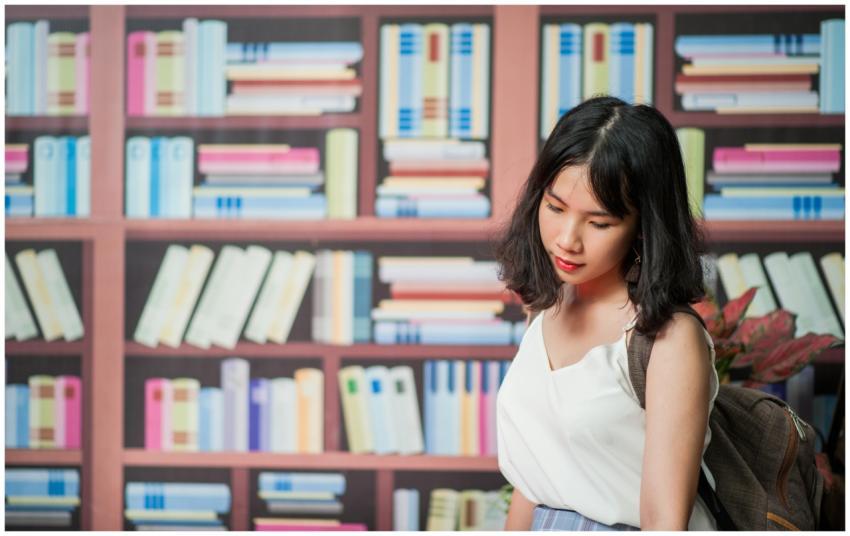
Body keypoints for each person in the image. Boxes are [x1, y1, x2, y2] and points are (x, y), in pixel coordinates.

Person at [494, 95, 720, 531]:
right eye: (555, 208)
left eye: (598, 223)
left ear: (643, 226)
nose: (566, 239)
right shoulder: (545, 308)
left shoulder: (668, 339)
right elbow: (536, 473)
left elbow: (663, 523)